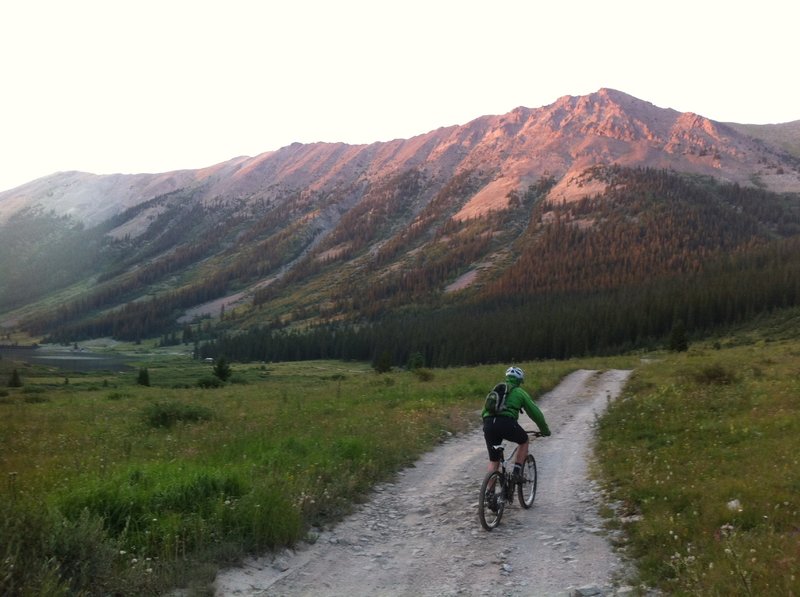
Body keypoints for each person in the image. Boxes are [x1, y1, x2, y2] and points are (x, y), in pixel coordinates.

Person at [482, 366, 551, 482]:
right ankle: (516, 473)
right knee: (523, 440)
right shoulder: (519, 392)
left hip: (488, 424)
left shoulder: (496, 389)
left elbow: (484, 411)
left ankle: (489, 495)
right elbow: (535, 414)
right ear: (520, 381)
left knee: (494, 461)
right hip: (506, 423)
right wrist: (545, 430)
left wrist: (489, 426)